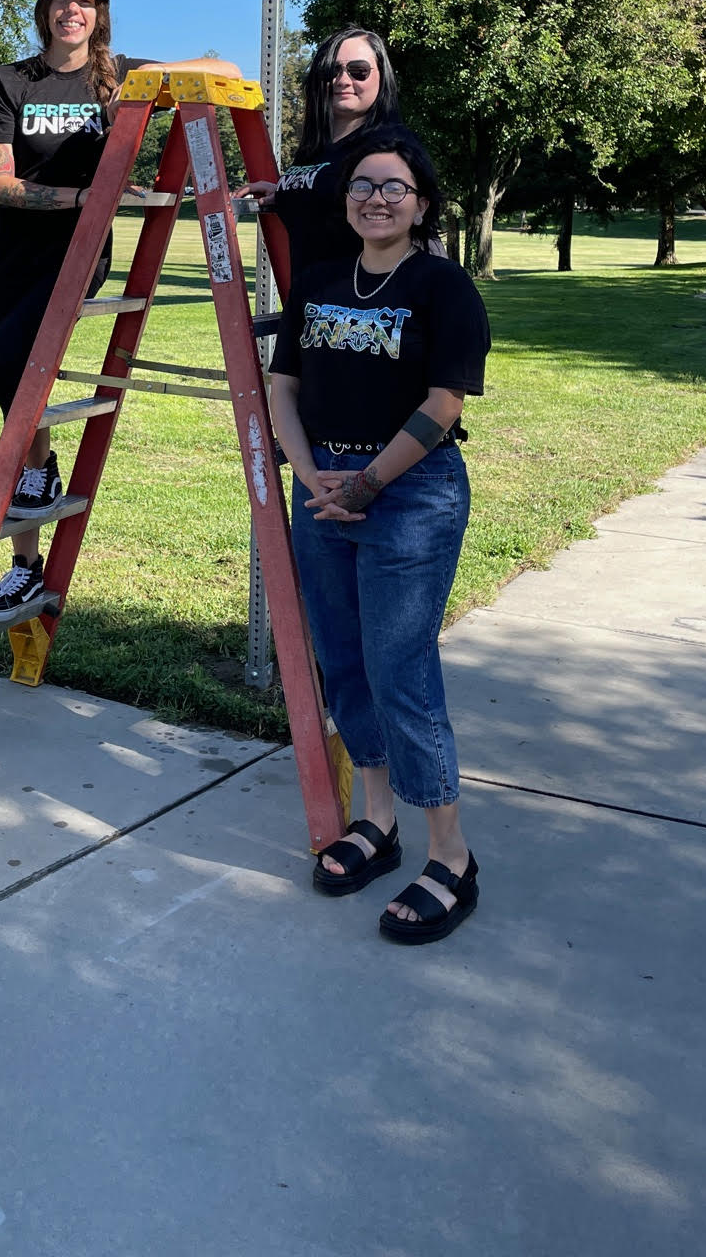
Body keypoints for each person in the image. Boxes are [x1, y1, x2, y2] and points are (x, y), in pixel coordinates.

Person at [266, 126, 490, 944]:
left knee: (402, 668)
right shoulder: (320, 280)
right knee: (346, 662)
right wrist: (309, 471)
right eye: (363, 185)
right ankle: (378, 821)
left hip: (409, 495)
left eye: (394, 187)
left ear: (421, 203)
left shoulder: (443, 286)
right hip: (321, 486)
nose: (376, 198)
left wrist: (364, 483)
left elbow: (443, 406)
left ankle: (451, 857)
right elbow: (282, 384)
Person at [0, 0, 237, 623]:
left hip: (81, 254)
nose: (73, 9)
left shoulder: (118, 78)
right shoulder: (10, 81)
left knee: (3, 362)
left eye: (86, 1)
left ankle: (40, 474)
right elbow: (1, 185)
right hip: (14, 256)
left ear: (100, 14)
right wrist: (86, 194)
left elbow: (219, 71)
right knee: (19, 389)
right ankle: (27, 562)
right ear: (45, 10)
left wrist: (213, 77)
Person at [240, 25, 401, 281]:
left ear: (382, 77)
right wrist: (284, 190)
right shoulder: (315, 147)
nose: (343, 81)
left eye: (359, 71)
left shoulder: (389, 147)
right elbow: (325, 198)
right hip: (310, 308)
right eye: (331, 70)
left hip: (360, 311)